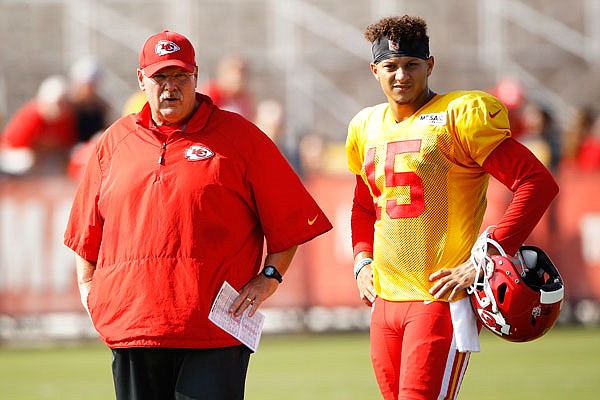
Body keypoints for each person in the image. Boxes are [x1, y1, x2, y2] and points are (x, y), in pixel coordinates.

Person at [64, 30, 332, 400]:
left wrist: (269, 277)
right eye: (159, 77)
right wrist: (88, 289)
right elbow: (84, 229)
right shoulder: (114, 141)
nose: (169, 88)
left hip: (214, 330)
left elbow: (290, 220)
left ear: (196, 78)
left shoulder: (241, 137)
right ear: (141, 80)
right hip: (132, 327)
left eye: (180, 77)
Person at [346, 16, 558, 400]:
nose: (400, 76)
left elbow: (537, 182)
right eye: (390, 67)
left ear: (430, 65)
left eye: (411, 64)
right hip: (385, 304)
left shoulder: (458, 115)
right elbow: (363, 206)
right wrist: (362, 261)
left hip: (438, 299)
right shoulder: (365, 125)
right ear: (374, 70)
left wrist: (488, 257)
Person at [0, 75, 77, 176]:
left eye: (64, 103)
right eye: (58, 103)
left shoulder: (65, 119)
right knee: (26, 161)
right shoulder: (31, 116)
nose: (61, 108)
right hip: (15, 157)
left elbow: (66, 146)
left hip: (44, 161)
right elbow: (13, 146)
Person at [199, 54, 255, 120]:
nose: (240, 77)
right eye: (237, 71)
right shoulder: (210, 94)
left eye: (244, 72)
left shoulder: (244, 97)